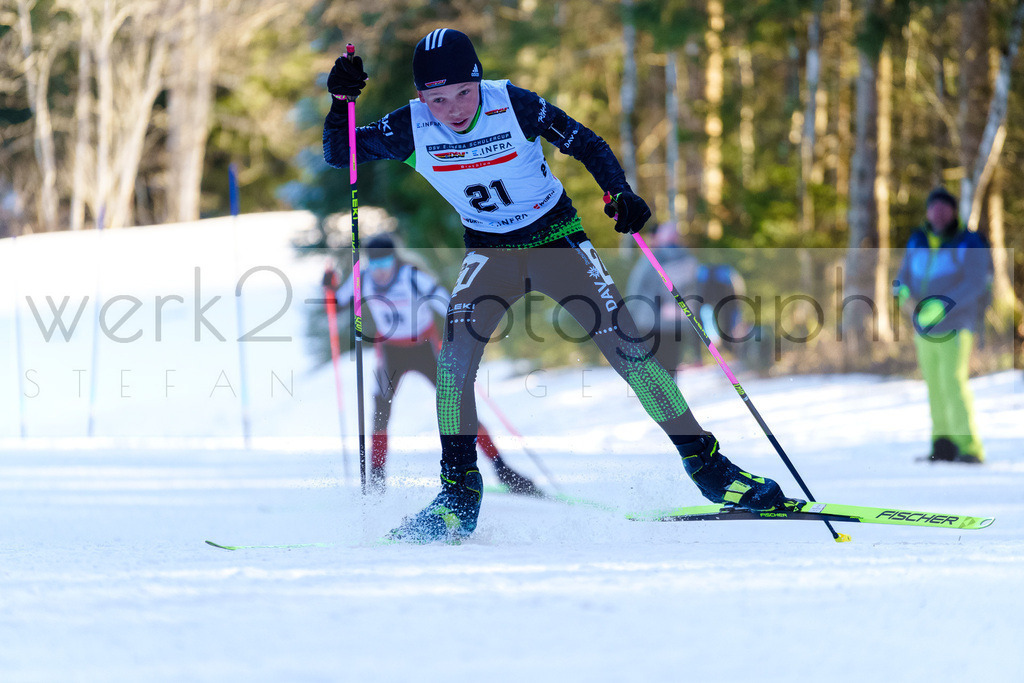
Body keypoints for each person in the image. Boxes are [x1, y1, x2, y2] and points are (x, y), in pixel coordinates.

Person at [323, 28, 787, 542]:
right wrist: (340, 100)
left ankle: (712, 471)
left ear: (478, 82)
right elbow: (340, 152)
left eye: (462, 93)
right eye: (437, 98)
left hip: (557, 239)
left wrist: (619, 192)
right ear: (420, 97)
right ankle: (457, 496)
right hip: (490, 252)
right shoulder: (411, 126)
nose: (452, 109)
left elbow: (586, 142)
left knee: (630, 352)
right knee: (453, 364)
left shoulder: (512, 104)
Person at [324, 233, 541, 495]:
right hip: (391, 352)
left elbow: (448, 305)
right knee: (379, 414)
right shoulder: (363, 278)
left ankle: (503, 470)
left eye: (384, 264)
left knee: (460, 409)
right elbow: (338, 304)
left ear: (394, 260)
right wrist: (329, 287)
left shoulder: (411, 277)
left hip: (424, 350)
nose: (380, 271)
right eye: (375, 264)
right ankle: (377, 482)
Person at [894, 186, 993, 464]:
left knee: (953, 383)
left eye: (944, 208)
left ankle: (969, 448)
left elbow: (976, 283)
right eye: (933, 208)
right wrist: (900, 288)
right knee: (934, 385)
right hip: (923, 327)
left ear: (952, 212)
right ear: (927, 211)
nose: (938, 213)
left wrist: (944, 304)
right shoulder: (917, 239)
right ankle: (943, 444)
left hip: (957, 324)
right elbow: (903, 274)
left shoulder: (968, 241)